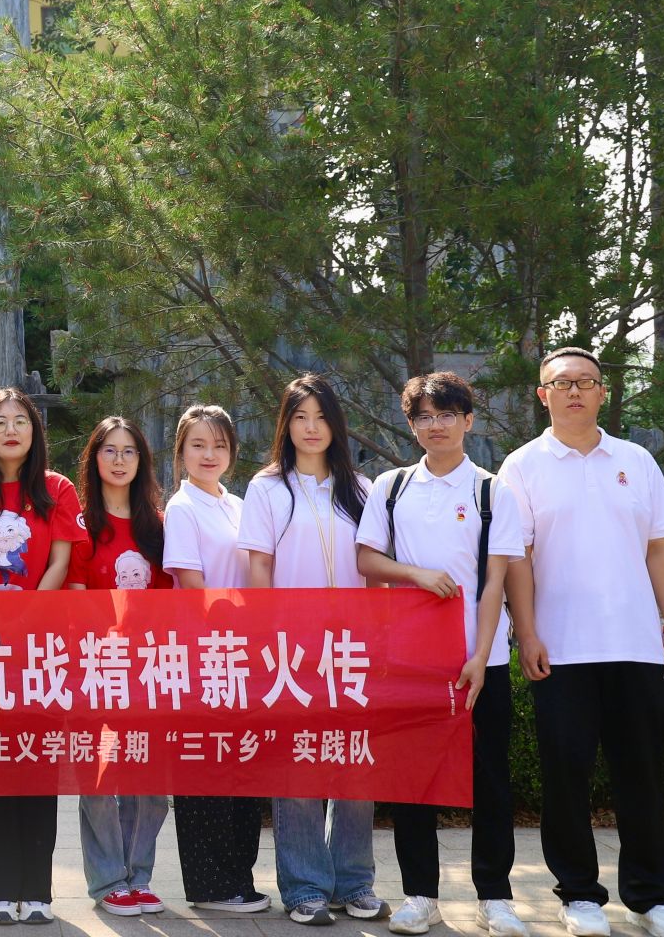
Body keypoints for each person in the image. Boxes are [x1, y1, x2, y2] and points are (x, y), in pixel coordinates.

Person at [499, 347, 664, 937]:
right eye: (562, 383)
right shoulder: (522, 466)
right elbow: (518, 559)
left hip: (636, 644)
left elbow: (659, 548)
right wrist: (527, 632)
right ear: (543, 395)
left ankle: (651, 896)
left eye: (586, 382)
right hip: (561, 649)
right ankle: (579, 893)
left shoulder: (635, 459)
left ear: (603, 392)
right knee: (566, 774)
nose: (574, 391)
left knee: (642, 773)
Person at [352, 373, 527, 937]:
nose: (436, 426)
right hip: (411, 659)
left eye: (447, 414)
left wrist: (481, 655)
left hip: (480, 659)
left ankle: (495, 896)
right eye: (424, 416)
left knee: (490, 779)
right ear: (411, 425)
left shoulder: (492, 491)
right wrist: (416, 574)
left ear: (467, 421)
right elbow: (367, 559)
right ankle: (420, 895)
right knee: (414, 779)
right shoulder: (392, 486)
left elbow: (495, 581)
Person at [239, 374, 383, 927]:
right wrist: (263, 640)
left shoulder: (362, 489)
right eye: (300, 416)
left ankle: (355, 882)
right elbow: (259, 567)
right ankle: (304, 887)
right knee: (298, 769)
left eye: (321, 416)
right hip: (291, 652)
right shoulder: (267, 488)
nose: (311, 427)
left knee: (355, 767)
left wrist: (379, 637)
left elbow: (374, 569)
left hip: (352, 651)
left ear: (336, 424)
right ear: (286, 424)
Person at [0, 389, 81, 925]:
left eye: (20, 422)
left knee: (36, 759)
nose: (10, 430)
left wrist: (27, 616)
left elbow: (61, 560)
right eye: (0, 422)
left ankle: (36, 889)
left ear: (35, 432)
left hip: (42, 646)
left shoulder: (57, 489)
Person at [160, 404, 272, 916]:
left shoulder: (240, 504)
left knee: (242, 766)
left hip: (245, 657)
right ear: (181, 451)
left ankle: (238, 878)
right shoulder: (183, 508)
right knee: (206, 770)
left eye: (220, 445)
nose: (209, 455)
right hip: (203, 656)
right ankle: (210, 885)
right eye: (198, 445)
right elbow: (192, 587)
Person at [69, 416, 172, 918]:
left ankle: (139, 876)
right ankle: (109, 880)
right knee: (99, 777)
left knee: (149, 778)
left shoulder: (159, 525)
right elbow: (73, 598)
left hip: (149, 666)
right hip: (95, 665)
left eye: (129, 451)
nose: (119, 460)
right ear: (94, 459)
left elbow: (170, 599)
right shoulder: (80, 525)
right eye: (109, 450)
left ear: (141, 461)